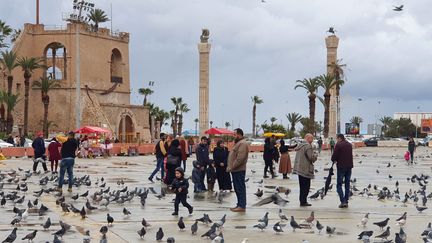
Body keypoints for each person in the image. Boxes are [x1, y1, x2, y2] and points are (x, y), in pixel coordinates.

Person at [227, 128, 249, 212]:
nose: (234, 136)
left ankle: (242, 206)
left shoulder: (242, 143)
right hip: (235, 170)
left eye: (235, 134)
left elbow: (240, 158)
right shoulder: (238, 143)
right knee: (237, 187)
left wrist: (233, 166)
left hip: (238, 170)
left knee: (240, 188)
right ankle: (239, 204)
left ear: (239, 135)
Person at [293, 133, 318, 207]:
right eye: (311, 138)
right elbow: (311, 158)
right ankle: (304, 201)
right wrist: (315, 155)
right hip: (306, 169)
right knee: (306, 187)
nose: (312, 140)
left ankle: (302, 201)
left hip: (299, 169)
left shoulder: (300, 145)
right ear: (307, 138)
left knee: (302, 186)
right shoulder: (307, 146)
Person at [331, 134, 353, 208]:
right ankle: (346, 201)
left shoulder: (338, 145)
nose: (336, 140)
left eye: (337, 138)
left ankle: (343, 201)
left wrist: (334, 160)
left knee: (339, 184)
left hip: (341, 167)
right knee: (347, 184)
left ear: (339, 138)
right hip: (349, 167)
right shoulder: (349, 144)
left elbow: (334, 156)